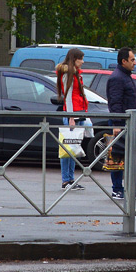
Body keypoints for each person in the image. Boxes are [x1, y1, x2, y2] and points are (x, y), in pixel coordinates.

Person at [106, 46, 136, 201]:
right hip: (122, 123)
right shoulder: (117, 78)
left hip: (130, 122)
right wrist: (116, 124)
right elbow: (115, 102)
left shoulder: (125, 75)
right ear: (124, 61)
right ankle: (117, 189)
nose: (135, 63)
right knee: (118, 156)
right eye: (132, 60)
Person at [55, 48, 88, 190]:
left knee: (73, 147)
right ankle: (66, 180)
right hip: (72, 113)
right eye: (80, 58)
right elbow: (67, 95)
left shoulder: (74, 73)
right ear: (74, 59)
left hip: (77, 112)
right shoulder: (68, 73)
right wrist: (71, 117)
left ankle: (71, 180)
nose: (83, 61)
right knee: (68, 148)